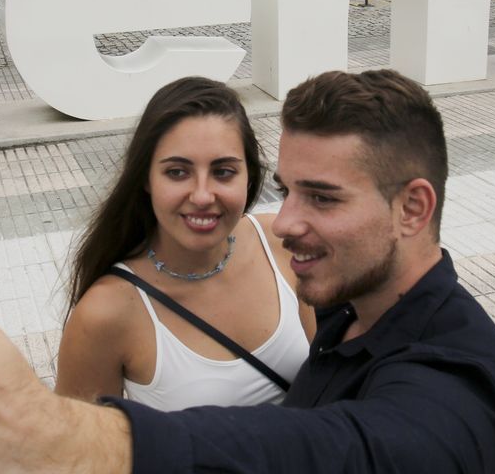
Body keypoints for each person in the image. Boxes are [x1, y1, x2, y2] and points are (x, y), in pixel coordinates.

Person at [0, 69, 495, 473]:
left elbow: (334, 452)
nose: (285, 222)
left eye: (322, 197)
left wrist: (41, 436)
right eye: (287, 190)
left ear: (413, 208)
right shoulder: (352, 303)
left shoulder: (464, 391)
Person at [55, 77, 313, 409]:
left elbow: (322, 385)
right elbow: (80, 452)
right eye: (177, 172)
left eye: (223, 172)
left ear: (249, 176)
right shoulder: (105, 313)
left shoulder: (280, 244)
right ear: (146, 179)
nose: (203, 196)